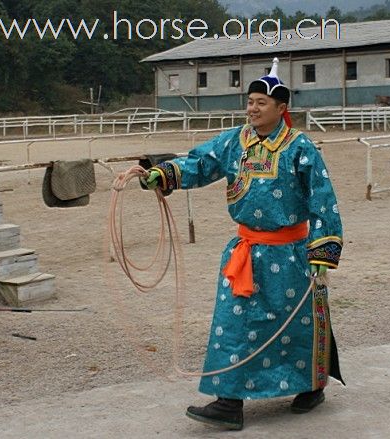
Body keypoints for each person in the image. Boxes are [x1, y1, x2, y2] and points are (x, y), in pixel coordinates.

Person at [144, 58, 344, 431]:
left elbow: (323, 200)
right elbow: (200, 163)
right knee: (232, 322)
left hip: (292, 256)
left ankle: (312, 386)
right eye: (250, 101)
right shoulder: (236, 141)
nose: (252, 108)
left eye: (261, 103)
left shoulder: (301, 148)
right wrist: (165, 173)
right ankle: (228, 402)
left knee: (295, 325)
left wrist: (323, 252)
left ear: (282, 108)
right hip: (246, 252)